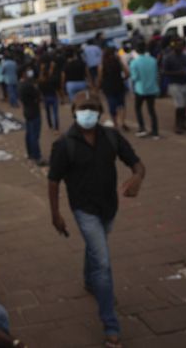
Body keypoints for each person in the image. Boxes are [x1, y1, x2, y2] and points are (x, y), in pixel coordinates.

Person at [48, 91, 146, 348]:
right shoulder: (64, 144)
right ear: (74, 111)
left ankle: (90, 281)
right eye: (83, 107)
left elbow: (136, 164)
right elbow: (53, 180)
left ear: (100, 112)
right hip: (83, 209)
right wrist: (55, 214)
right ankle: (111, 325)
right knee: (103, 262)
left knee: (96, 246)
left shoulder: (111, 137)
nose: (88, 112)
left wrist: (137, 178)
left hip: (108, 207)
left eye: (93, 107)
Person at [162, 39, 186, 134]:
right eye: (178, 46)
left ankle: (183, 123)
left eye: (181, 46)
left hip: (185, 82)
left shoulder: (184, 56)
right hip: (175, 83)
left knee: (185, 105)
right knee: (179, 105)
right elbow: (164, 72)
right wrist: (178, 73)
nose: (180, 48)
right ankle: (177, 125)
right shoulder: (168, 58)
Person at [129, 41, 160, 139]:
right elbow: (156, 74)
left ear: (136, 51)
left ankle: (142, 128)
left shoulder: (134, 62)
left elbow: (134, 78)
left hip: (140, 89)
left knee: (138, 108)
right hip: (152, 88)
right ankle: (155, 132)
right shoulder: (153, 60)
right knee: (152, 110)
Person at [18, 66, 46, 166]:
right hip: (34, 111)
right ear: (23, 73)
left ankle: (30, 153)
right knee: (34, 135)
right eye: (27, 71)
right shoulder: (28, 85)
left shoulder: (20, 84)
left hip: (27, 111)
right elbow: (38, 96)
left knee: (29, 133)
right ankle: (37, 156)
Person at [97, 47, 130, 132]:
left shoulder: (102, 65)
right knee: (122, 105)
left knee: (112, 106)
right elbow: (127, 73)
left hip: (108, 87)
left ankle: (115, 123)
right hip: (119, 85)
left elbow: (100, 79)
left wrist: (99, 86)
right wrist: (122, 79)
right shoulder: (118, 62)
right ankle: (123, 123)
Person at [38, 57, 61, 133]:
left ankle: (50, 126)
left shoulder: (40, 82)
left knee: (48, 113)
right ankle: (56, 128)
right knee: (55, 113)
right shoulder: (52, 79)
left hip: (45, 98)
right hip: (53, 97)